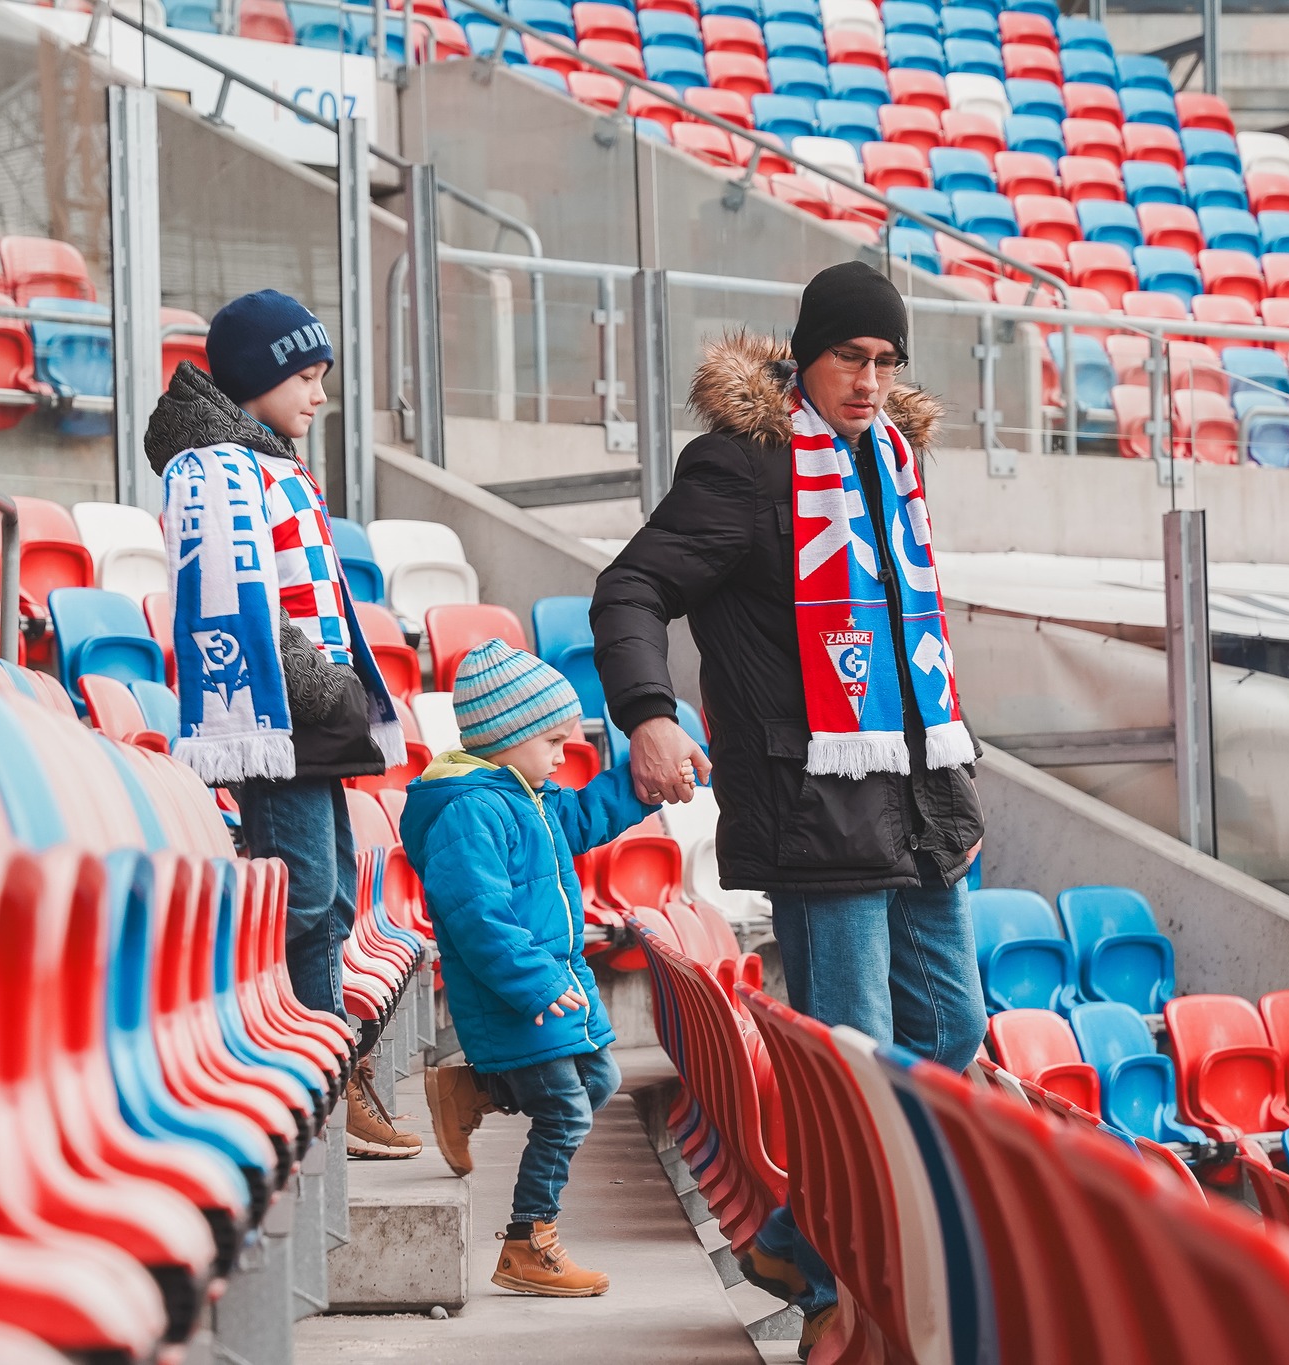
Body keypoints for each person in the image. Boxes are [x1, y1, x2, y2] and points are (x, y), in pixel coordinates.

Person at [588, 261, 988, 1353]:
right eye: (850, 359)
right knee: (848, 1064)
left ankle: (796, 1244)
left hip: (917, 811)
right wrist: (647, 712)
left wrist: (953, 790)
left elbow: (909, 646)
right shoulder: (743, 468)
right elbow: (629, 588)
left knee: (950, 1036)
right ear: (805, 354)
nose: (868, 382)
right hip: (815, 815)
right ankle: (828, 1303)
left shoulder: (890, 461)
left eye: (884, 363)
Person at [146, 288, 421, 1161]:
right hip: (279, 726)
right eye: (306, 375)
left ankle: (333, 1073)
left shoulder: (262, 458)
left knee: (331, 891)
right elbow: (244, 608)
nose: (320, 394)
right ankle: (319, 1092)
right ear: (259, 375)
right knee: (303, 902)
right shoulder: (216, 467)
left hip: (304, 724)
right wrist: (332, 694)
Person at [401, 638, 656, 1298]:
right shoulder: (471, 809)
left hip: (558, 983)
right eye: (552, 742)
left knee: (599, 1078)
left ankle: (475, 1092)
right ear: (504, 737)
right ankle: (527, 1241)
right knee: (567, 1110)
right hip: (519, 994)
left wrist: (647, 784)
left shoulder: (529, 793)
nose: (563, 755)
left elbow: (590, 813)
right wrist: (536, 982)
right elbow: (475, 914)